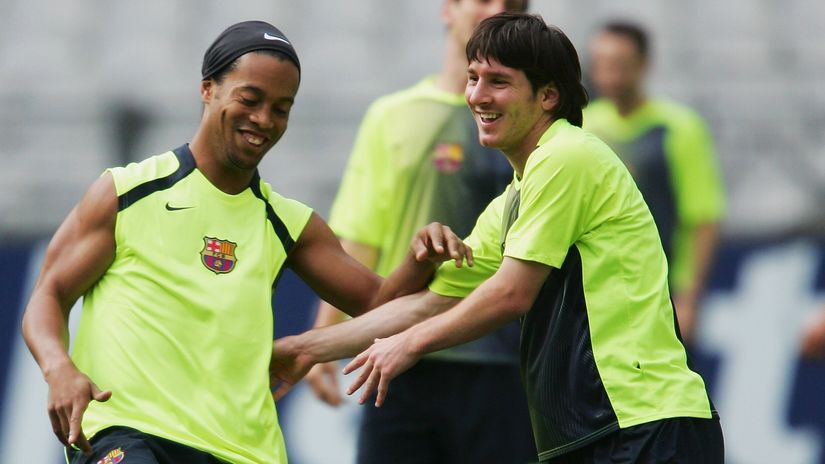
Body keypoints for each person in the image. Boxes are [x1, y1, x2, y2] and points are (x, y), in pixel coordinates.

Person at [272, 12, 724, 463]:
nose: (477, 96)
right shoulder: (515, 197)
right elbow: (426, 303)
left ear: (548, 96)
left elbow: (511, 295)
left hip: (643, 424)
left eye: (498, 82)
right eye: (473, 78)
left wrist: (409, 345)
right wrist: (306, 347)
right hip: (595, 432)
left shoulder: (566, 156)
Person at [20, 20, 470, 464]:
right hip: (130, 434)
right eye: (250, 99)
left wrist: (418, 258)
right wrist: (59, 368)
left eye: (281, 108)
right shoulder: (126, 192)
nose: (264, 120)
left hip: (243, 452)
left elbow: (379, 306)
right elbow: (49, 295)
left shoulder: (288, 224)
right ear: (207, 89)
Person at [302, 0, 536, 462]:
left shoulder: (536, 126)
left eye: (513, 4)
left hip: (508, 364)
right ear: (449, 8)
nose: (499, 9)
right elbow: (359, 240)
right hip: (399, 361)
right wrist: (323, 340)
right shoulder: (394, 116)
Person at [583, 20, 726, 343]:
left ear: (643, 64)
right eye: (601, 63)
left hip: (661, 291)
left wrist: (688, 297)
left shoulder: (679, 127)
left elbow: (703, 216)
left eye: (620, 63)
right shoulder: (584, 126)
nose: (609, 73)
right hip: (598, 293)